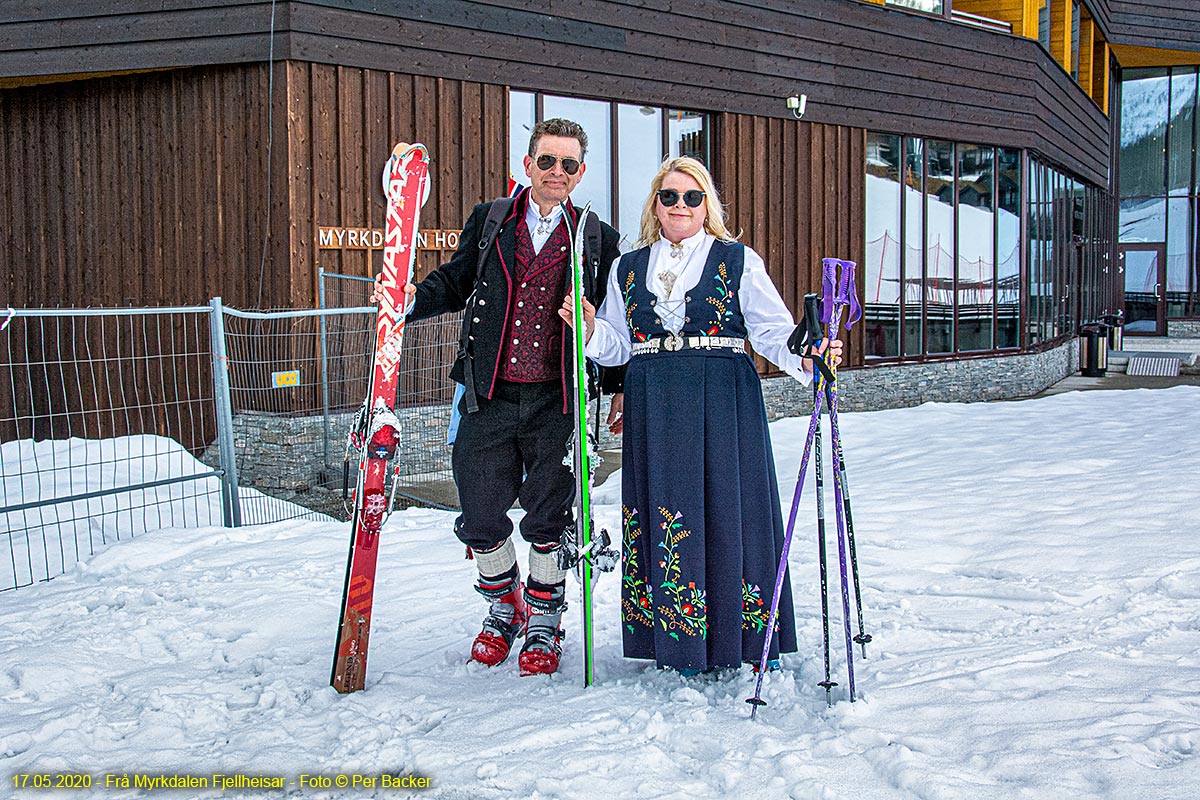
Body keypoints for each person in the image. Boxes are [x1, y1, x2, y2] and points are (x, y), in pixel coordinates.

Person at [561, 156, 842, 674]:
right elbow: (619, 346)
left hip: (723, 399)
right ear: (656, 205)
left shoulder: (737, 260)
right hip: (655, 403)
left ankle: (742, 636)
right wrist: (587, 328)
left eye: (692, 197)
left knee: (728, 507)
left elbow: (772, 332)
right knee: (667, 511)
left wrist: (810, 360)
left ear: (706, 203)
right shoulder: (628, 266)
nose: (681, 206)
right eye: (670, 196)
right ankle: (676, 642)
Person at [376, 119, 623, 676]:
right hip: (486, 393)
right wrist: (409, 298)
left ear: (581, 173)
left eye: (568, 165)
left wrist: (617, 390)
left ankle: (543, 620)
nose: (556, 172)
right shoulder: (492, 221)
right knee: (481, 511)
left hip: (559, 400)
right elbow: (457, 279)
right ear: (528, 165)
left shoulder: (596, 237)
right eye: (546, 161)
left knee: (549, 515)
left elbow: (612, 321)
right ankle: (503, 606)